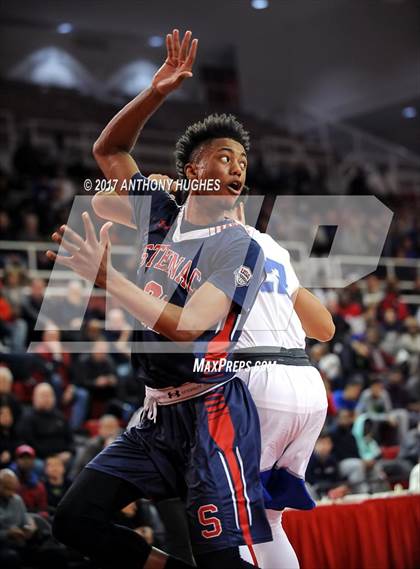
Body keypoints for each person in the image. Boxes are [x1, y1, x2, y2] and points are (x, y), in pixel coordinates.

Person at [47, 29, 271, 569]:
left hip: (212, 412)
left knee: (221, 560)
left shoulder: (239, 245)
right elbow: (110, 151)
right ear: (193, 171)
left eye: (243, 160)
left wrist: (111, 282)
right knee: (74, 521)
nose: (238, 167)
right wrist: (157, 93)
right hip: (155, 417)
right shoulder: (160, 211)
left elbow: (190, 327)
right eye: (224, 157)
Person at [17, 383, 74, 464]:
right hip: (40, 458)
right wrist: (51, 457)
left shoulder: (60, 416)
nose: (47, 399)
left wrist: (69, 452)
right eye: (43, 396)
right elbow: (29, 443)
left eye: (49, 396)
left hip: (62, 457)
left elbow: (70, 439)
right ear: (34, 398)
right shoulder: (28, 418)